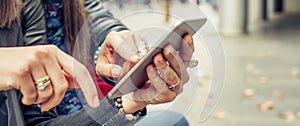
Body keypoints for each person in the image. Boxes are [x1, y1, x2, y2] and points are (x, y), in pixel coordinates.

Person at [0, 0, 195, 125]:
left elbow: (94, 14)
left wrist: (116, 41)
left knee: (175, 121)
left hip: (85, 108)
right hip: (69, 113)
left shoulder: (31, 8)